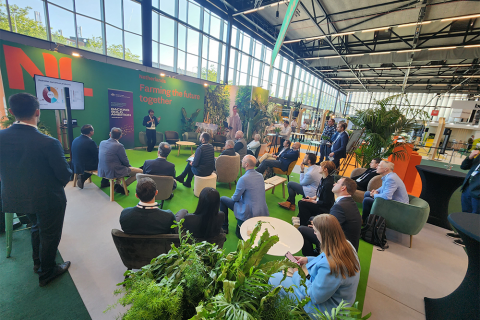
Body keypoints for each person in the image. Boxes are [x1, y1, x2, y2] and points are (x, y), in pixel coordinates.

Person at [0, 93, 72, 287]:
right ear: (38, 112)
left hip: (15, 198)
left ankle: (38, 262)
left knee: (37, 226)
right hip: (48, 199)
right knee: (50, 234)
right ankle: (47, 272)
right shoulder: (48, 142)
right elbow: (65, 175)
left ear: (12, 112)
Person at [269, 214, 360, 318]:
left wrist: (296, 274)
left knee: (275, 279)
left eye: (315, 231)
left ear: (323, 234)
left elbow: (314, 296)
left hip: (326, 310)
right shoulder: (346, 244)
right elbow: (324, 256)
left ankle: (283, 312)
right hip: (341, 301)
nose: (314, 233)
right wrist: (307, 259)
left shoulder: (330, 266)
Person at [299, 177, 362, 255]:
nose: (334, 184)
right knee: (312, 219)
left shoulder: (340, 206)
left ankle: (311, 258)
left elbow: (329, 229)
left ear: (343, 188)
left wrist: (317, 227)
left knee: (302, 229)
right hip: (347, 243)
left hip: (340, 246)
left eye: (337, 183)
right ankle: (319, 251)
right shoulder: (348, 202)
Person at [220, 155, 269, 238]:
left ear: (246, 164)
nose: (241, 162)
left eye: (242, 160)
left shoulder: (243, 179)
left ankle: (224, 227)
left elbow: (235, 198)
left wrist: (234, 198)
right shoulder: (260, 176)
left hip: (249, 211)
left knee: (222, 199)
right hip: (261, 211)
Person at [98, 127, 143, 194]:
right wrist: (130, 168)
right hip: (113, 171)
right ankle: (121, 187)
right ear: (120, 136)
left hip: (102, 169)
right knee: (140, 172)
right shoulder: (119, 146)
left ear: (110, 134)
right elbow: (125, 161)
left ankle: (117, 184)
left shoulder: (102, 142)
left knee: (118, 164)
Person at [449, 149, 480, 247]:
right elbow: (464, 166)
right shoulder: (478, 156)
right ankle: (463, 234)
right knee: (466, 213)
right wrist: (470, 157)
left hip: (478, 192)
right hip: (468, 188)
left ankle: (470, 240)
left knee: (475, 216)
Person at [297, 161, 336, 226]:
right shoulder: (323, 178)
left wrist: (312, 201)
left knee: (302, 203)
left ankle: (304, 225)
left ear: (325, 169)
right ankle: (305, 221)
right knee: (304, 200)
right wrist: (312, 198)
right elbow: (319, 193)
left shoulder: (328, 184)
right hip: (319, 202)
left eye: (321, 166)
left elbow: (326, 203)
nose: (319, 167)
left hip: (324, 208)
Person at [71, 124, 106, 189]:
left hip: (75, 164)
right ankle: (104, 182)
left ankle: (82, 177)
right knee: (105, 162)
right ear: (91, 132)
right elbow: (97, 155)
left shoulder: (75, 139)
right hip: (85, 165)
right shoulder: (90, 142)